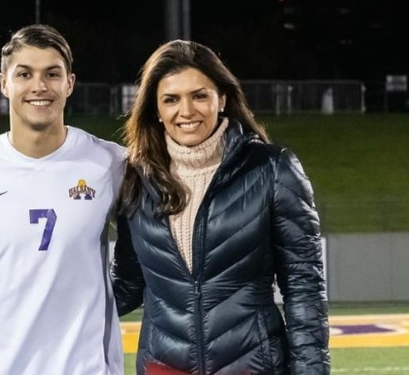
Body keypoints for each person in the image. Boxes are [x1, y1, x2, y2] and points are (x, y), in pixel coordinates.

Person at [110, 39, 330, 375]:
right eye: (171, 99)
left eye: (200, 95)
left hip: (252, 365)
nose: (186, 111)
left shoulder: (272, 169)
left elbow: (304, 288)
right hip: (164, 367)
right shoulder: (138, 180)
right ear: (155, 109)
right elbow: (126, 287)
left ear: (222, 98)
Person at [0, 24, 126, 375]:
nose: (40, 86)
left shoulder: (109, 163)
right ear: (4, 83)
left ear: (69, 83)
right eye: (25, 74)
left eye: (52, 74)